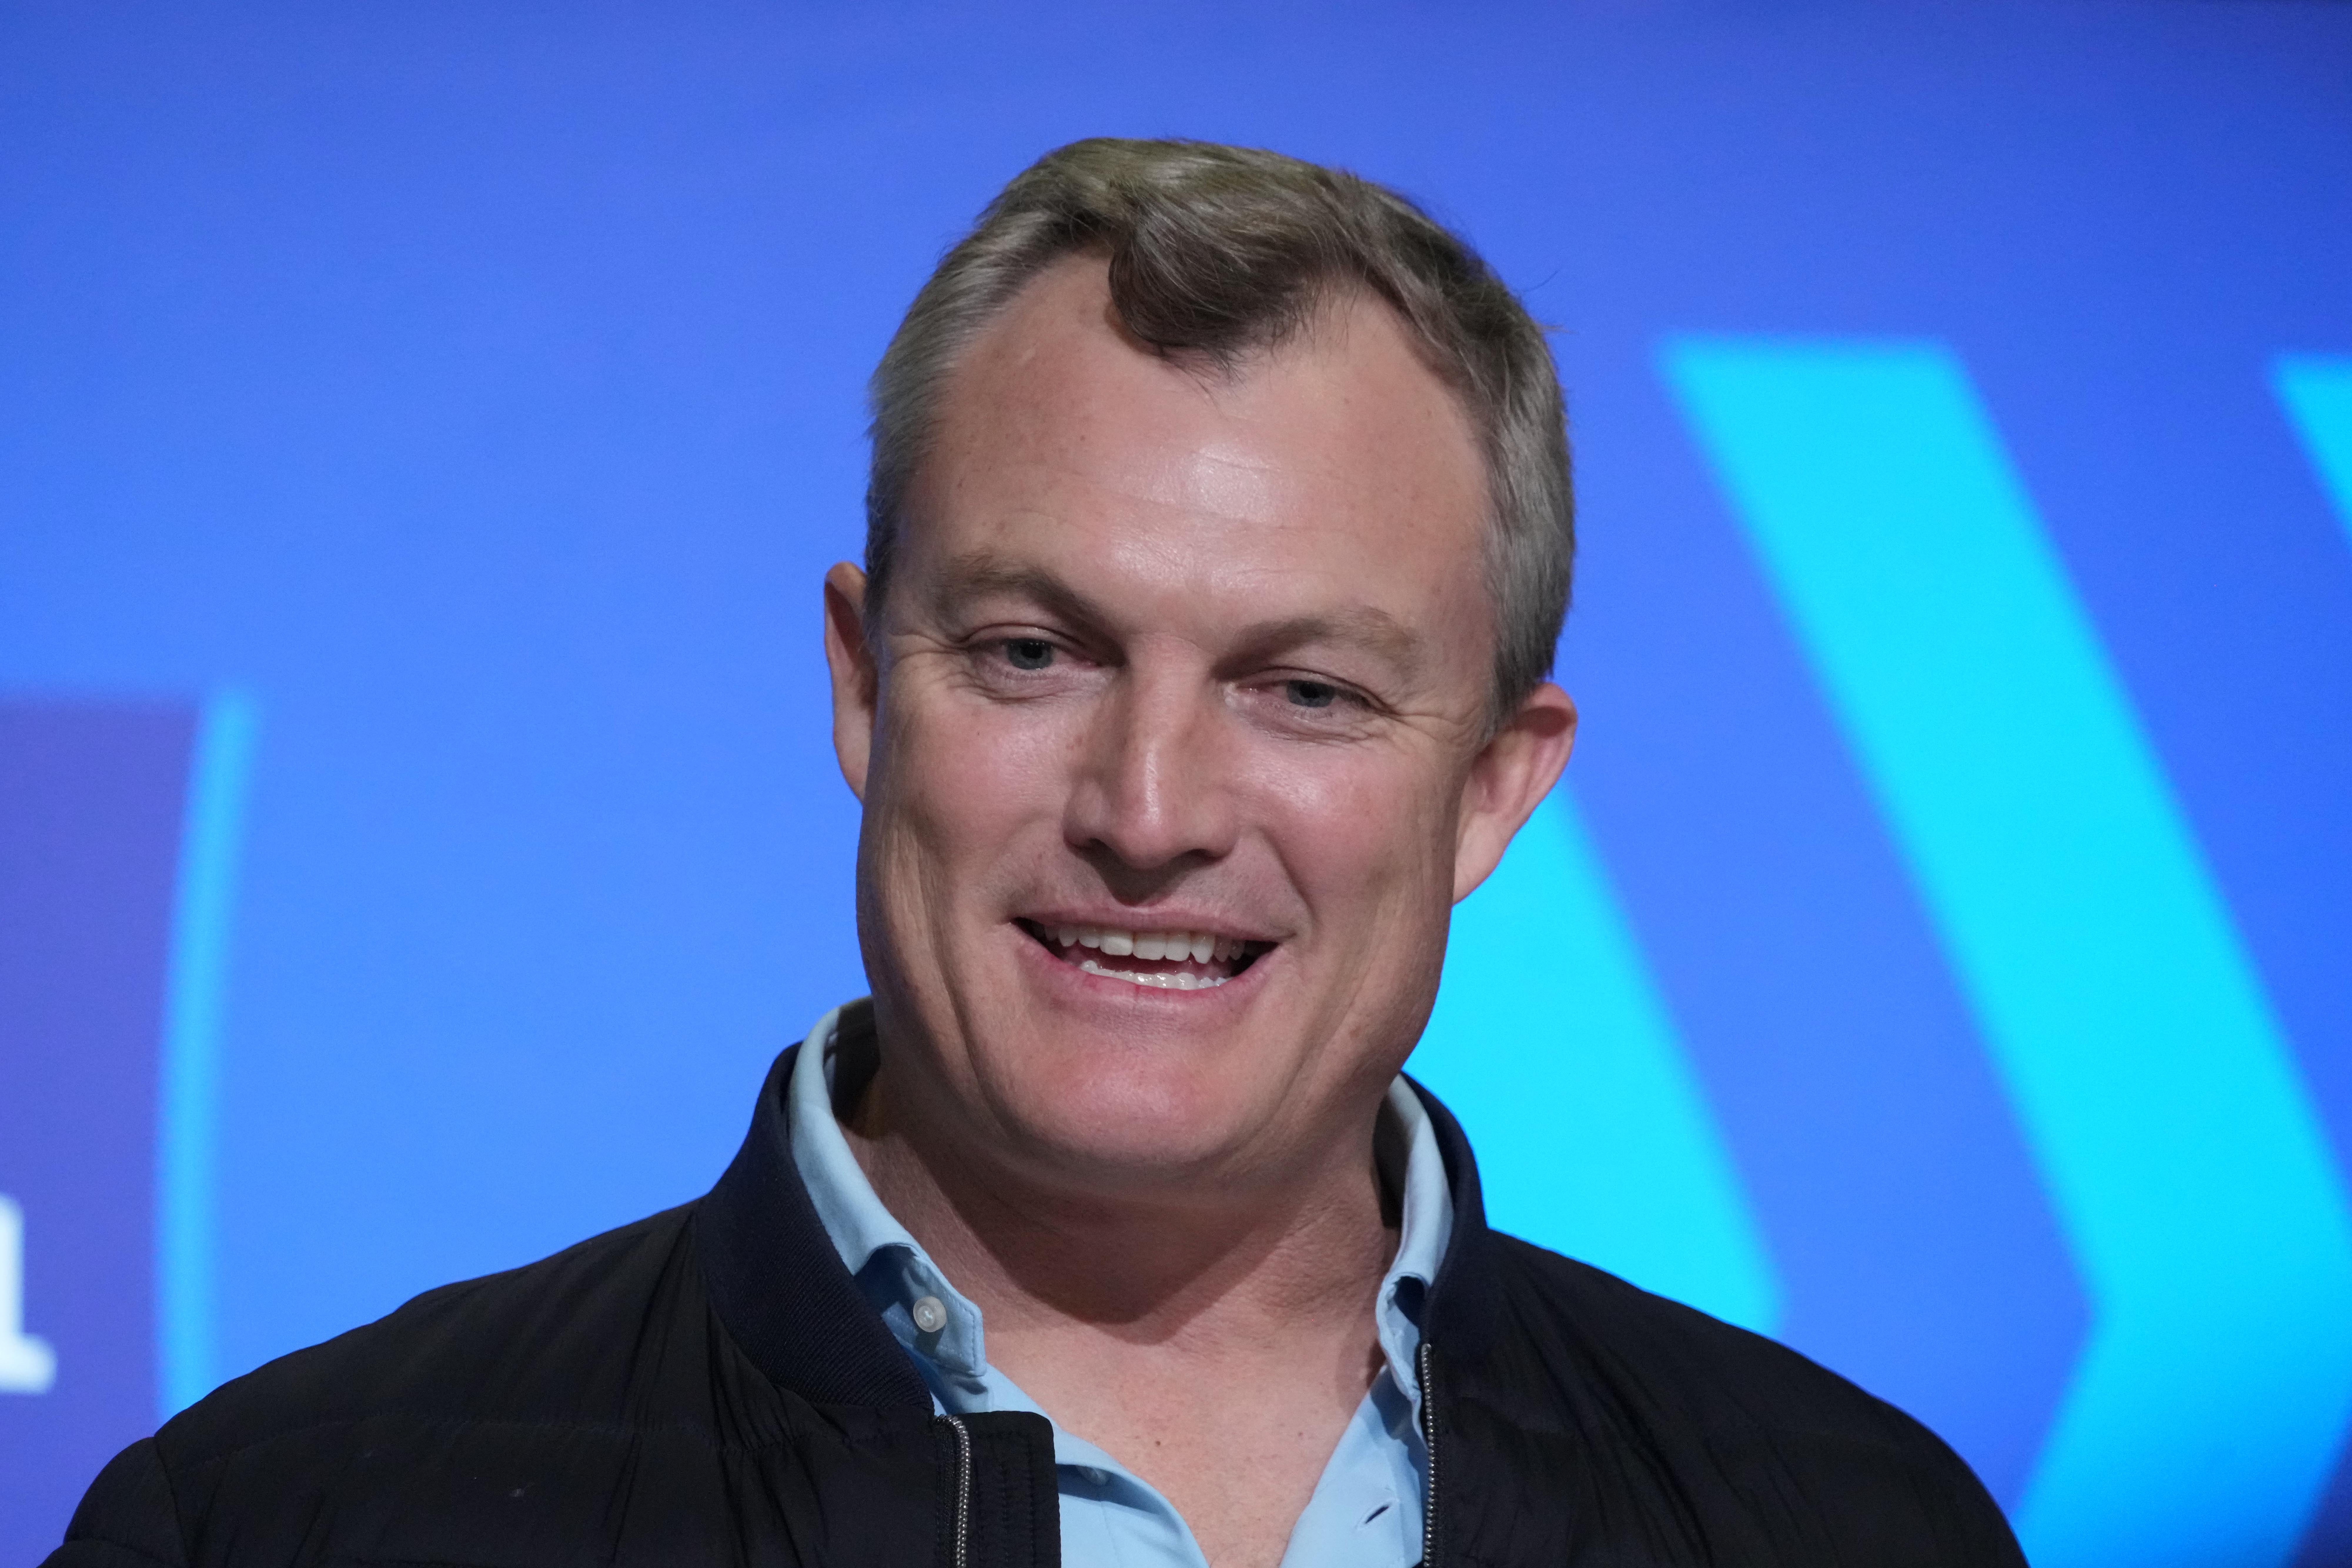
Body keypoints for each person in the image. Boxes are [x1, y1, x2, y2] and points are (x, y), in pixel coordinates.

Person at [49, 138, 2024, 1568]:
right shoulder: (288, 1519)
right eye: (1031, 652)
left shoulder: (1852, 1521)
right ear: (859, 681)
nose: (1148, 808)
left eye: (1306, 689)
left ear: (1494, 790)